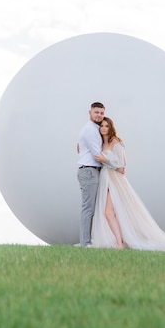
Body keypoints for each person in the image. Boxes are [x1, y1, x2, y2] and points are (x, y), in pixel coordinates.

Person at [91, 117, 165, 252]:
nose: (103, 128)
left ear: (111, 127)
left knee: (108, 212)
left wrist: (105, 159)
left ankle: (120, 243)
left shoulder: (115, 142)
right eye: (101, 126)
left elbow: (122, 165)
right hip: (105, 179)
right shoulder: (101, 144)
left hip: (114, 181)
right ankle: (120, 240)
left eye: (106, 126)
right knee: (108, 212)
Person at [76, 102, 106, 247]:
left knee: (95, 208)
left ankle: (91, 241)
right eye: (96, 112)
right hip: (89, 171)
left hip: (94, 170)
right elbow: (97, 154)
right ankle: (85, 243)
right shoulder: (89, 130)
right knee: (88, 208)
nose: (99, 115)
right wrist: (117, 164)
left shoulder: (96, 129)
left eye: (101, 113)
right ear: (90, 113)